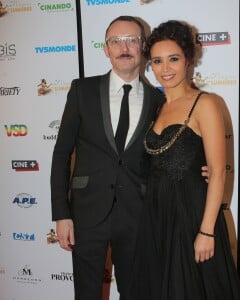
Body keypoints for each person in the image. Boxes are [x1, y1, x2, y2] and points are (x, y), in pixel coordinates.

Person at [50, 15, 209, 300]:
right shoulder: (81, 91)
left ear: (143, 47)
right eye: (116, 41)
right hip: (85, 214)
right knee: (85, 293)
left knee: (136, 292)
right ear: (106, 48)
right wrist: (61, 213)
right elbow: (62, 153)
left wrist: (201, 169)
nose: (124, 47)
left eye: (132, 40)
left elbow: (171, 151)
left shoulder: (159, 101)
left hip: (139, 214)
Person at [126, 20, 240, 299]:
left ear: (189, 59)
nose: (165, 69)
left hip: (192, 215)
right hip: (155, 217)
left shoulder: (206, 104)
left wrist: (206, 231)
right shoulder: (155, 107)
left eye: (173, 59)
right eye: (157, 61)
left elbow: (216, 172)